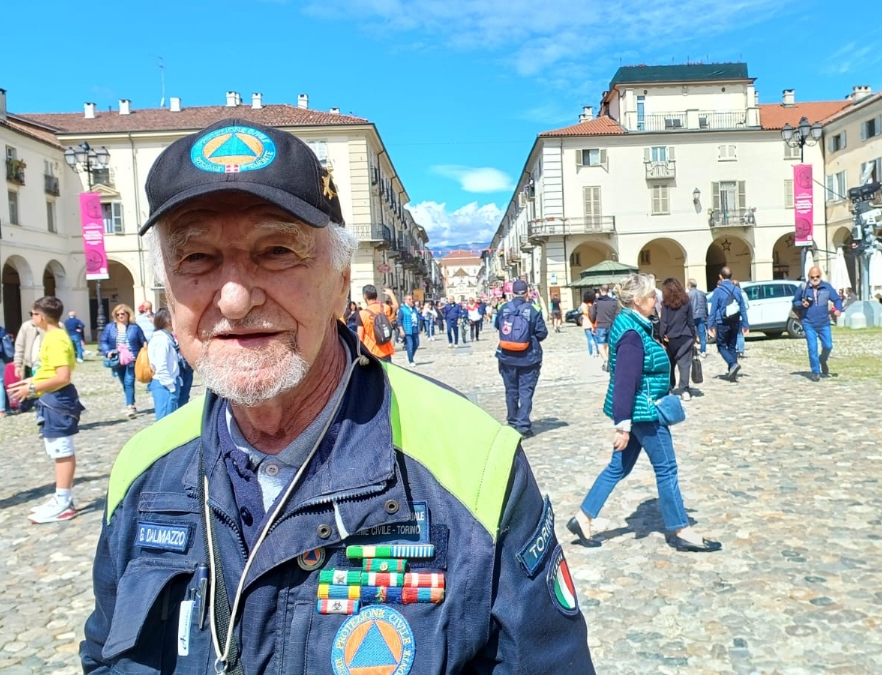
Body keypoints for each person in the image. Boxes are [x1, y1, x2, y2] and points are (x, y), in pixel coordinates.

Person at [81, 119, 593, 672]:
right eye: (196, 258)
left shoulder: (474, 463)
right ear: (169, 290)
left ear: (341, 280)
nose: (233, 299)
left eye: (276, 250)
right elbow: (105, 654)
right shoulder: (143, 468)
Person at [568, 274, 720, 553]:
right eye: (652, 296)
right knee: (667, 469)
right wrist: (623, 426)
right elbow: (625, 380)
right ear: (637, 301)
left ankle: (583, 517)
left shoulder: (634, 325)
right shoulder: (631, 333)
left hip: (639, 410)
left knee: (618, 468)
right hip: (645, 412)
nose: (657, 300)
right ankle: (681, 529)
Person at [8, 296, 84, 523]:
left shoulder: (56, 339)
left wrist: (31, 387)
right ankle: (60, 497)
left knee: (62, 450)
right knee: (56, 449)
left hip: (57, 400)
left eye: (32, 314)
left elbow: (62, 376)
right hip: (50, 398)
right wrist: (29, 383)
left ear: (40, 316)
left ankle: (64, 501)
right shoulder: (53, 336)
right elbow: (49, 371)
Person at [494, 280, 549, 439]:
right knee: (526, 391)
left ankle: (512, 421)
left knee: (511, 390)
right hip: (528, 357)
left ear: (512, 293)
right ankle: (523, 426)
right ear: (526, 292)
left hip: (506, 356)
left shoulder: (503, 308)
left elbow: (498, 326)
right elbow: (542, 333)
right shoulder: (534, 309)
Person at [792, 266, 844, 381]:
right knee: (812, 347)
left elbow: (837, 299)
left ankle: (823, 359)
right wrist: (802, 303)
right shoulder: (803, 288)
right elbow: (794, 301)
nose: (815, 279)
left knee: (828, 345)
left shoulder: (827, 287)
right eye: (812, 277)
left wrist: (838, 309)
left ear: (820, 276)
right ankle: (815, 371)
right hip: (808, 322)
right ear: (809, 277)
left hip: (824, 322)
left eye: (817, 276)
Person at [99, 303, 147, 417]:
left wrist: (145, 353)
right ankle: (131, 401)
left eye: (122, 314)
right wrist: (107, 352)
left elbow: (143, 340)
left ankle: (130, 406)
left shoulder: (134, 327)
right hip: (117, 359)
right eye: (118, 314)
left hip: (132, 359)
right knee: (124, 382)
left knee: (129, 381)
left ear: (127, 314)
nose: (120, 316)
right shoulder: (110, 327)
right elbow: (103, 341)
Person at [708, 267, 750, 382]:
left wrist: (710, 325)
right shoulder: (737, 290)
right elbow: (742, 308)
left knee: (721, 346)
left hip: (722, 322)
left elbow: (713, 309)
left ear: (720, 276)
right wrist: (746, 324)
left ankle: (732, 364)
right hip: (735, 321)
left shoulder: (718, 291)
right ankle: (733, 371)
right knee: (732, 346)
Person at [659, 278, 696, 400]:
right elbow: (690, 321)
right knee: (684, 364)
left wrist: (661, 337)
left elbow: (663, 322)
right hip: (685, 337)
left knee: (669, 364)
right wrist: (694, 336)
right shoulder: (686, 302)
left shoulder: (665, 304)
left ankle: (669, 387)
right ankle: (684, 390)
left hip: (670, 338)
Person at [147, 308, 182, 421]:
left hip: (169, 382)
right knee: (164, 420)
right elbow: (161, 365)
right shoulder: (162, 341)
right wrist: (170, 386)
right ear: (168, 320)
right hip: (165, 385)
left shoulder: (167, 338)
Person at [357, 285, 397, 362]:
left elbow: (360, 338)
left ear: (364, 296)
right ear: (376, 295)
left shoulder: (362, 314)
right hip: (386, 350)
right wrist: (391, 293)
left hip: (371, 352)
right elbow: (395, 306)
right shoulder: (385, 308)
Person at [592, 285, 619, 370]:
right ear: (608, 290)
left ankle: (606, 360)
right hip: (611, 325)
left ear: (600, 290)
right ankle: (608, 361)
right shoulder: (613, 302)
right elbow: (616, 313)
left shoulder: (597, 302)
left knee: (600, 344)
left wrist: (593, 322)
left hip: (600, 325)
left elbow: (593, 314)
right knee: (608, 344)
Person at [13, 314, 43, 380]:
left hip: (47, 367)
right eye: (31, 314)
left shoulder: (55, 326)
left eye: (35, 314)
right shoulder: (26, 326)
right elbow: (19, 346)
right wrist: (18, 365)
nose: (33, 316)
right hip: (29, 366)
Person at [397, 294, 421, 366]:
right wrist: (401, 330)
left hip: (414, 328)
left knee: (416, 344)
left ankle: (409, 356)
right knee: (410, 345)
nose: (411, 300)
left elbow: (417, 318)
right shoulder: (402, 309)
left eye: (411, 299)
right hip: (407, 329)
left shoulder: (414, 309)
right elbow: (399, 320)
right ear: (406, 300)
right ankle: (411, 361)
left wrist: (419, 328)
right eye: (409, 299)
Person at [687, 279, 709, 358]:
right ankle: (703, 351)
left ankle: (693, 350)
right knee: (702, 334)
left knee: (692, 334)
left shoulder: (688, 294)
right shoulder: (702, 294)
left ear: (689, 285)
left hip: (692, 316)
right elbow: (706, 306)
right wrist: (707, 315)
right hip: (701, 315)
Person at [581, 290, 598, 357]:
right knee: (595, 338)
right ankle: (598, 351)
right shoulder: (593, 304)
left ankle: (591, 353)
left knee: (589, 339)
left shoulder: (583, 305)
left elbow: (586, 313)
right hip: (594, 323)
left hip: (586, 323)